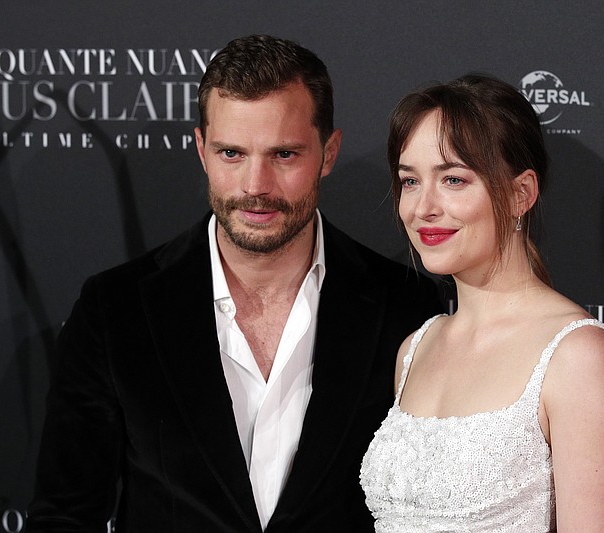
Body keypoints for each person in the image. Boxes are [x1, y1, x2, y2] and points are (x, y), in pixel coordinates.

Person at [26, 34, 442, 533]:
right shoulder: (115, 310)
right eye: (231, 154)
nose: (255, 185)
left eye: (284, 155)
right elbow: (66, 515)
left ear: (328, 153)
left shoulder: (407, 306)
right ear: (201, 150)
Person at [360, 74, 604, 532]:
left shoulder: (577, 356)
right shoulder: (415, 349)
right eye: (410, 181)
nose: (423, 206)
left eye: (453, 179)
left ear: (520, 193)